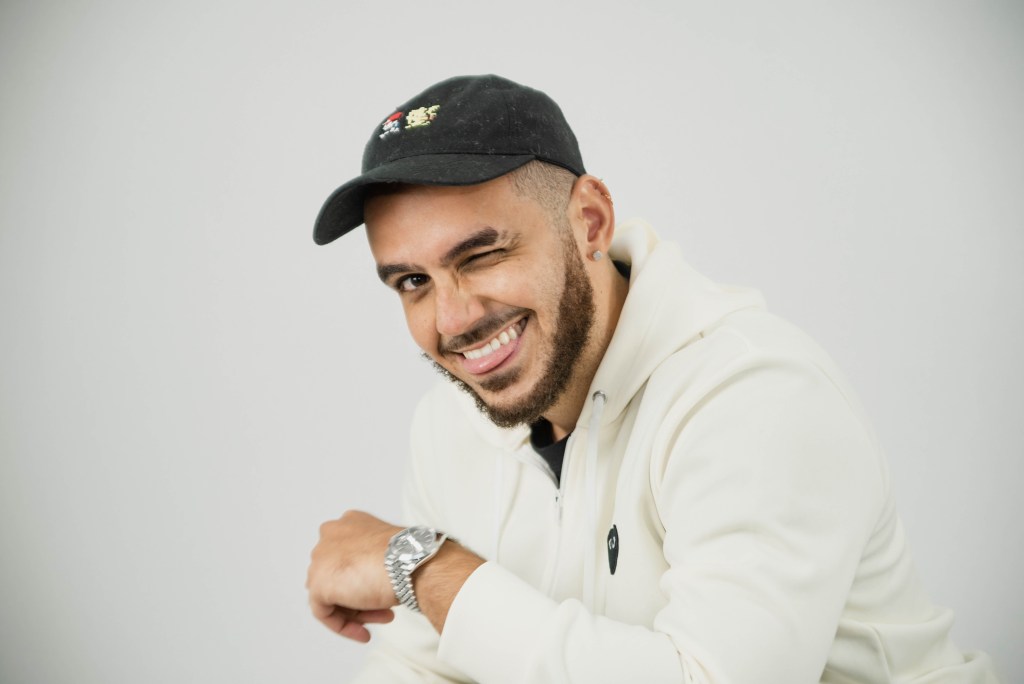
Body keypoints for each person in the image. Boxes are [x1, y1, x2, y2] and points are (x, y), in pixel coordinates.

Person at [306, 75, 998, 683]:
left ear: (589, 221)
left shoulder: (753, 393)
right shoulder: (447, 426)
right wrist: (427, 579)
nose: (452, 318)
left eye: (482, 255)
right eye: (412, 281)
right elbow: (424, 666)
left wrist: (425, 567)